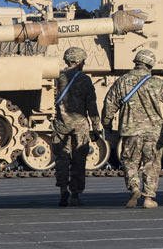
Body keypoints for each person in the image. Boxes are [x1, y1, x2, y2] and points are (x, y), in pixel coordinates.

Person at [102, 49, 163, 209]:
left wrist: (107, 125)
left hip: (130, 131)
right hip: (153, 132)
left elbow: (109, 104)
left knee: (130, 161)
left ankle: (134, 189)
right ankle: (148, 198)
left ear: (136, 62)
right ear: (150, 64)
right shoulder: (156, 82)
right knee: (151, 163)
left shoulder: (122, 81)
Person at [52, 47, 102, 207]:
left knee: (62, 159)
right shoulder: (85, 80)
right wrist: (96, 128)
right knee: (79, 160)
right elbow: (91, 106)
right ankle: (75, 195)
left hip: (61, 124)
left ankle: (62, 192)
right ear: (80, 62)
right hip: (80, 126)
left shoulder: (57, 78)